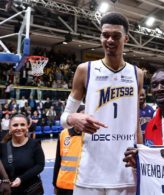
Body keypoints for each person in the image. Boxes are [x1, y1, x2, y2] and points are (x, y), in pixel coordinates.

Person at [60, 12, 143, 195]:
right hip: (90, 172)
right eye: (105, 35)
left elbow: (135, 120)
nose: (110, 40)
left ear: (126, 39)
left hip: (125, 171)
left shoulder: (137, 74)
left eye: (116, 36)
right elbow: (64, 118)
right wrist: (74, 118)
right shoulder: (85, 70)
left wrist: (141, 153)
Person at [0, 113, 45, 195]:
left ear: (27, 127)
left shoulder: (35, 144)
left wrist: (21, 179)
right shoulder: (3, 146)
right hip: (9, 191)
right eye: (15, 125)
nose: (19, 128)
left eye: (22, 125)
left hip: (31, 190)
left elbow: (40, 165)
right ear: (10, 128)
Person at [53, 105, 84, 195]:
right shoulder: (63, 134)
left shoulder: (91, 134)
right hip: (63, 185)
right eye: (81, 115)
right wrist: (55, 183)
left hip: (83, 185)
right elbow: (58, 160)